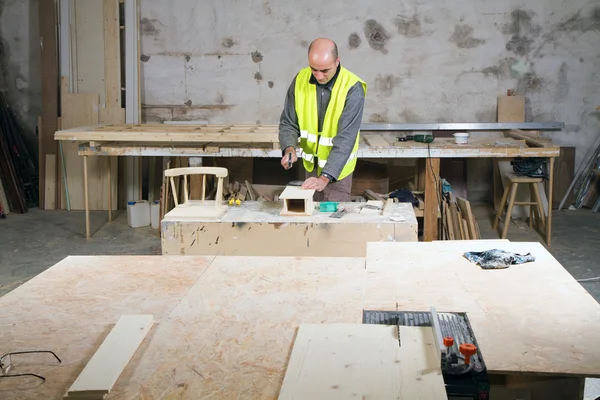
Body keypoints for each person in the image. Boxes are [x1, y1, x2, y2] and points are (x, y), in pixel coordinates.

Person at [278, 37, 367, 202]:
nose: (319, 76)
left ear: (337, 61)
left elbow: (346, 139)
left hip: (337, 171)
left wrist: (325, 177)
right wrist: (289, 148)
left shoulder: (352, 88)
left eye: (325, 70)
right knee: (311, 218)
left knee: (333, 222)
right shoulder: (300, 80)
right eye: (314, 69)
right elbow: (288, 122)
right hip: (311, 166)